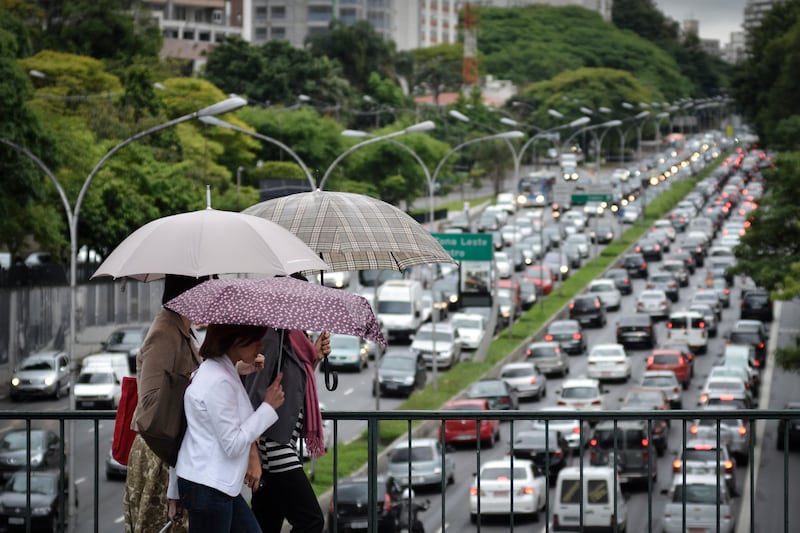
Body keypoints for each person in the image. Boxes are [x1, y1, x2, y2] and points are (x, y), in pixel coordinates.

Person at [168, 323, 285, 533]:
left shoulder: (215, 370)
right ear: (235, 341)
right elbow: (232, 443)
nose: (261, 345)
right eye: (255, 339)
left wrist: (241, 368)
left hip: (212, 485)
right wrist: (268, 407)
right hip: (208, 487)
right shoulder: (218, 381)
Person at [123, 274, 210, 533]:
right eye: (205, 289)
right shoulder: (164, 333)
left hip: (170, 452)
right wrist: (195, 380)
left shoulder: (182, 330)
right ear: (190, 294)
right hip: (158, 455)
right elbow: (149, 402)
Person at [243, 327, 331, 533]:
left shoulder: (293, 339)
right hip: (274, 445)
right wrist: (252, 453)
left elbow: (295, 389)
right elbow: (251, 398)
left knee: (266, 524)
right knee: (311, 520)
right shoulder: (272, 339)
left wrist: (314, 358)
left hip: (282, 442)